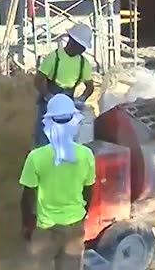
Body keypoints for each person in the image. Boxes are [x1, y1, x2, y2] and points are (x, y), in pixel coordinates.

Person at [19, 94, 97, 270]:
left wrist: (27, 224)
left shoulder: (36, 157)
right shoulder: (86, 156)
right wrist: (82, 213)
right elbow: (89, 191)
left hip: (45, 229)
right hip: (74, 228)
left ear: (48, 123)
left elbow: (27, 196)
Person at [33, 23, 96, 146]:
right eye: (81, 46)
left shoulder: (84, 63)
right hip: (49, 103)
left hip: (68, 103)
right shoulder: (54, 58)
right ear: (72, 41)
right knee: (44, 135)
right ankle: (41, 157)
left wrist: (82, 99)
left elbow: (90, 86)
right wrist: (48, 96)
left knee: (65, 136)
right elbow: (38, 80)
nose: (83, 50)